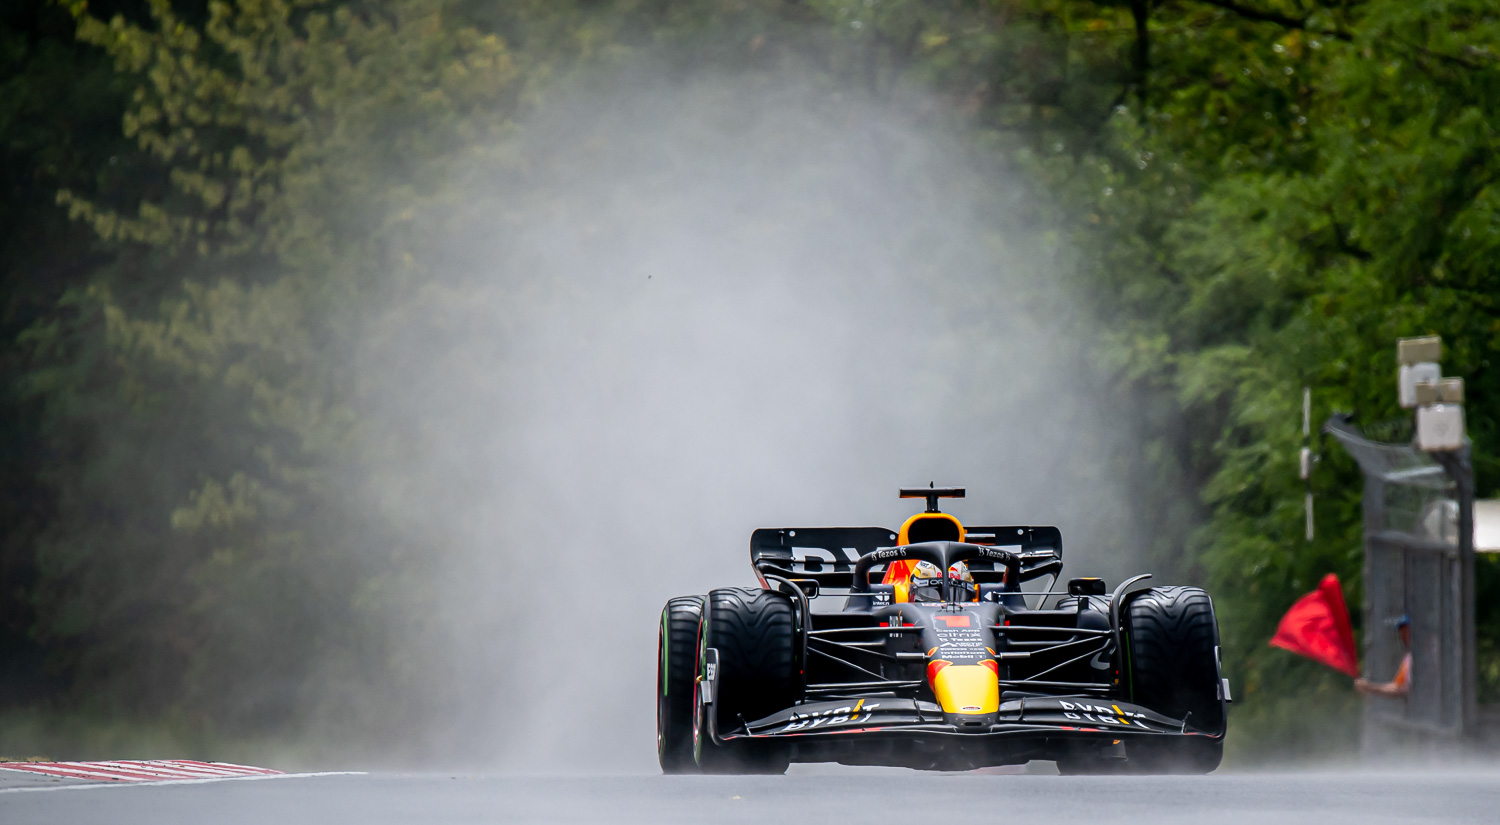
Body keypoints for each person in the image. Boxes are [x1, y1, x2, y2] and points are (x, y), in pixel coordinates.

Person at [1354, 615, 1410, 698]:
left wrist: (1370, 688)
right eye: (1402, 631)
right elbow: (1397, 686)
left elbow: (1402, 690)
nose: (1403, 635)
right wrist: (1369, 687)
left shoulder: (1426, 654)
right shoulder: (1408, 657)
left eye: (1407, 630)